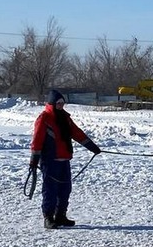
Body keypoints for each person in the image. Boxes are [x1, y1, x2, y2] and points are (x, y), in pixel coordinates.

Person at [29, 90, 101, 229]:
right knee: (50, 190)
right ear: (52, 104)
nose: (61, 106)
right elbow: (37, 140)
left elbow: (77, 133)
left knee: (65, 189)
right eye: (58, 103)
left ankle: (61, 215)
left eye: (62, 103)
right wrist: (34, 160)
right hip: (50, 161)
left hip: (64, 160)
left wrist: (93, 147)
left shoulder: (65, 118)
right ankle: (48, 218)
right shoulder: (44, 118)